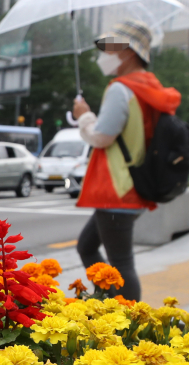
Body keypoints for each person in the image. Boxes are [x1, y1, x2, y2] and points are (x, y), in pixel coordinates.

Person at [72, 20, 182, 302]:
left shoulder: (121, 89)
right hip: (134, 182)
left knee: (121, 262)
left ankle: (126, 321)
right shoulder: (148, 87)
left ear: (129, 52)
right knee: (87, 246)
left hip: (116, 186)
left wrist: (83, 114)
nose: (104, 55)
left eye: (111, 48)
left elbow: (101, 137)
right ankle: (107, 301)